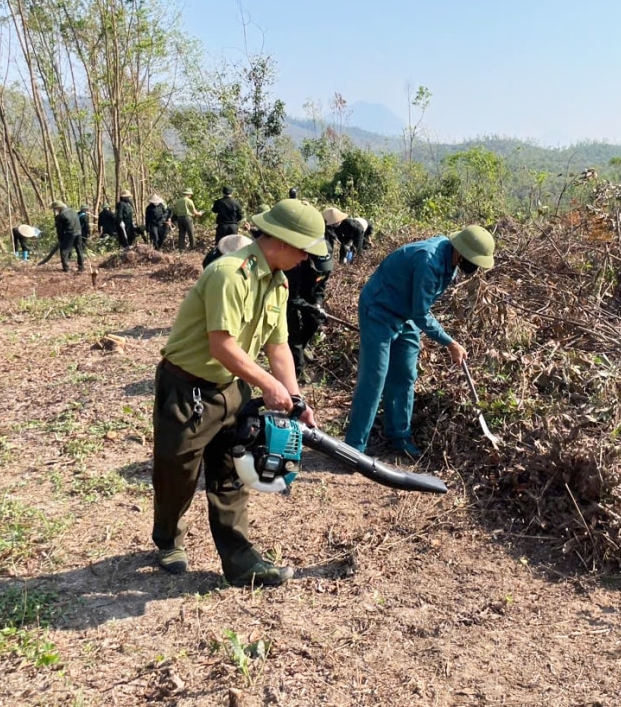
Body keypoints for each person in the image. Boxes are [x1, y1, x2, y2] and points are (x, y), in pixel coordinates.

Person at [151, 198, 327, 587]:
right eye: (304, 250)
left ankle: (240, 560)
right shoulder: (230, 274)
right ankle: (167, 540)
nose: (306, 260)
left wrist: (294, 400)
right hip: (187, 389)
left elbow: (278, 347)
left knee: (231, 471)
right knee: (176, 472)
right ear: (282, 241)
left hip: (231, 386)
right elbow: (222, 346)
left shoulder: (278, 284)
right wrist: (268, 386)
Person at [344, 225, 495, 458]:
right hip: (379, 310)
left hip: (406, 315)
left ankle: (399, 438)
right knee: (375, 377)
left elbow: (418, 310)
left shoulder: (450, 260)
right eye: (472, 260)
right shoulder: (429, 260)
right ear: (460, 251)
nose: (473, 267)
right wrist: (450, 343)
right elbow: (421, 313)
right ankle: (354, 448)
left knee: (405, 375)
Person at [285, 249, 333, 383]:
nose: (322, 271)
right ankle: (297, 371)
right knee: (293, 335)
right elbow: (292, 299)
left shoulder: (326, 267)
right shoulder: (295, 268)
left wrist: (317, 305)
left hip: (308, 295)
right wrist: (311, 308)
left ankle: (300, 348)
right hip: (288, 299)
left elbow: (320, 288)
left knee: (313, 323)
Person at [50, 199, 85, 272]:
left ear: (58, 208)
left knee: (64, 251)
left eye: (55, 209)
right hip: (78, 232)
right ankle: (81, 267)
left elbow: (60, 230)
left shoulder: (61, 216)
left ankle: (66, 268)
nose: (55, 210)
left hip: (69, 233)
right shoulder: (73, 211)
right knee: (79, 250)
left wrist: (60, 239)